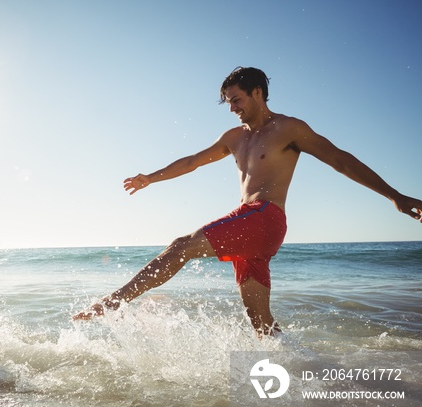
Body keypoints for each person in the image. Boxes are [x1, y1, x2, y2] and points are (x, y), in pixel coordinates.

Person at [74, 67, 422, 337]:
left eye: (237, 99)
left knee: (181, 246)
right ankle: (300, 373)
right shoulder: (234, 137)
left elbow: (341, 160)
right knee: (261, 326)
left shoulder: (289, 128)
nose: (232, 108)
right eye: (228, 102)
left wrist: (396, 196)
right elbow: (193, 160)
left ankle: (113, 302)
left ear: (258, 92)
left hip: (265, 217)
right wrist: (150, 177)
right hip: (246, 221)